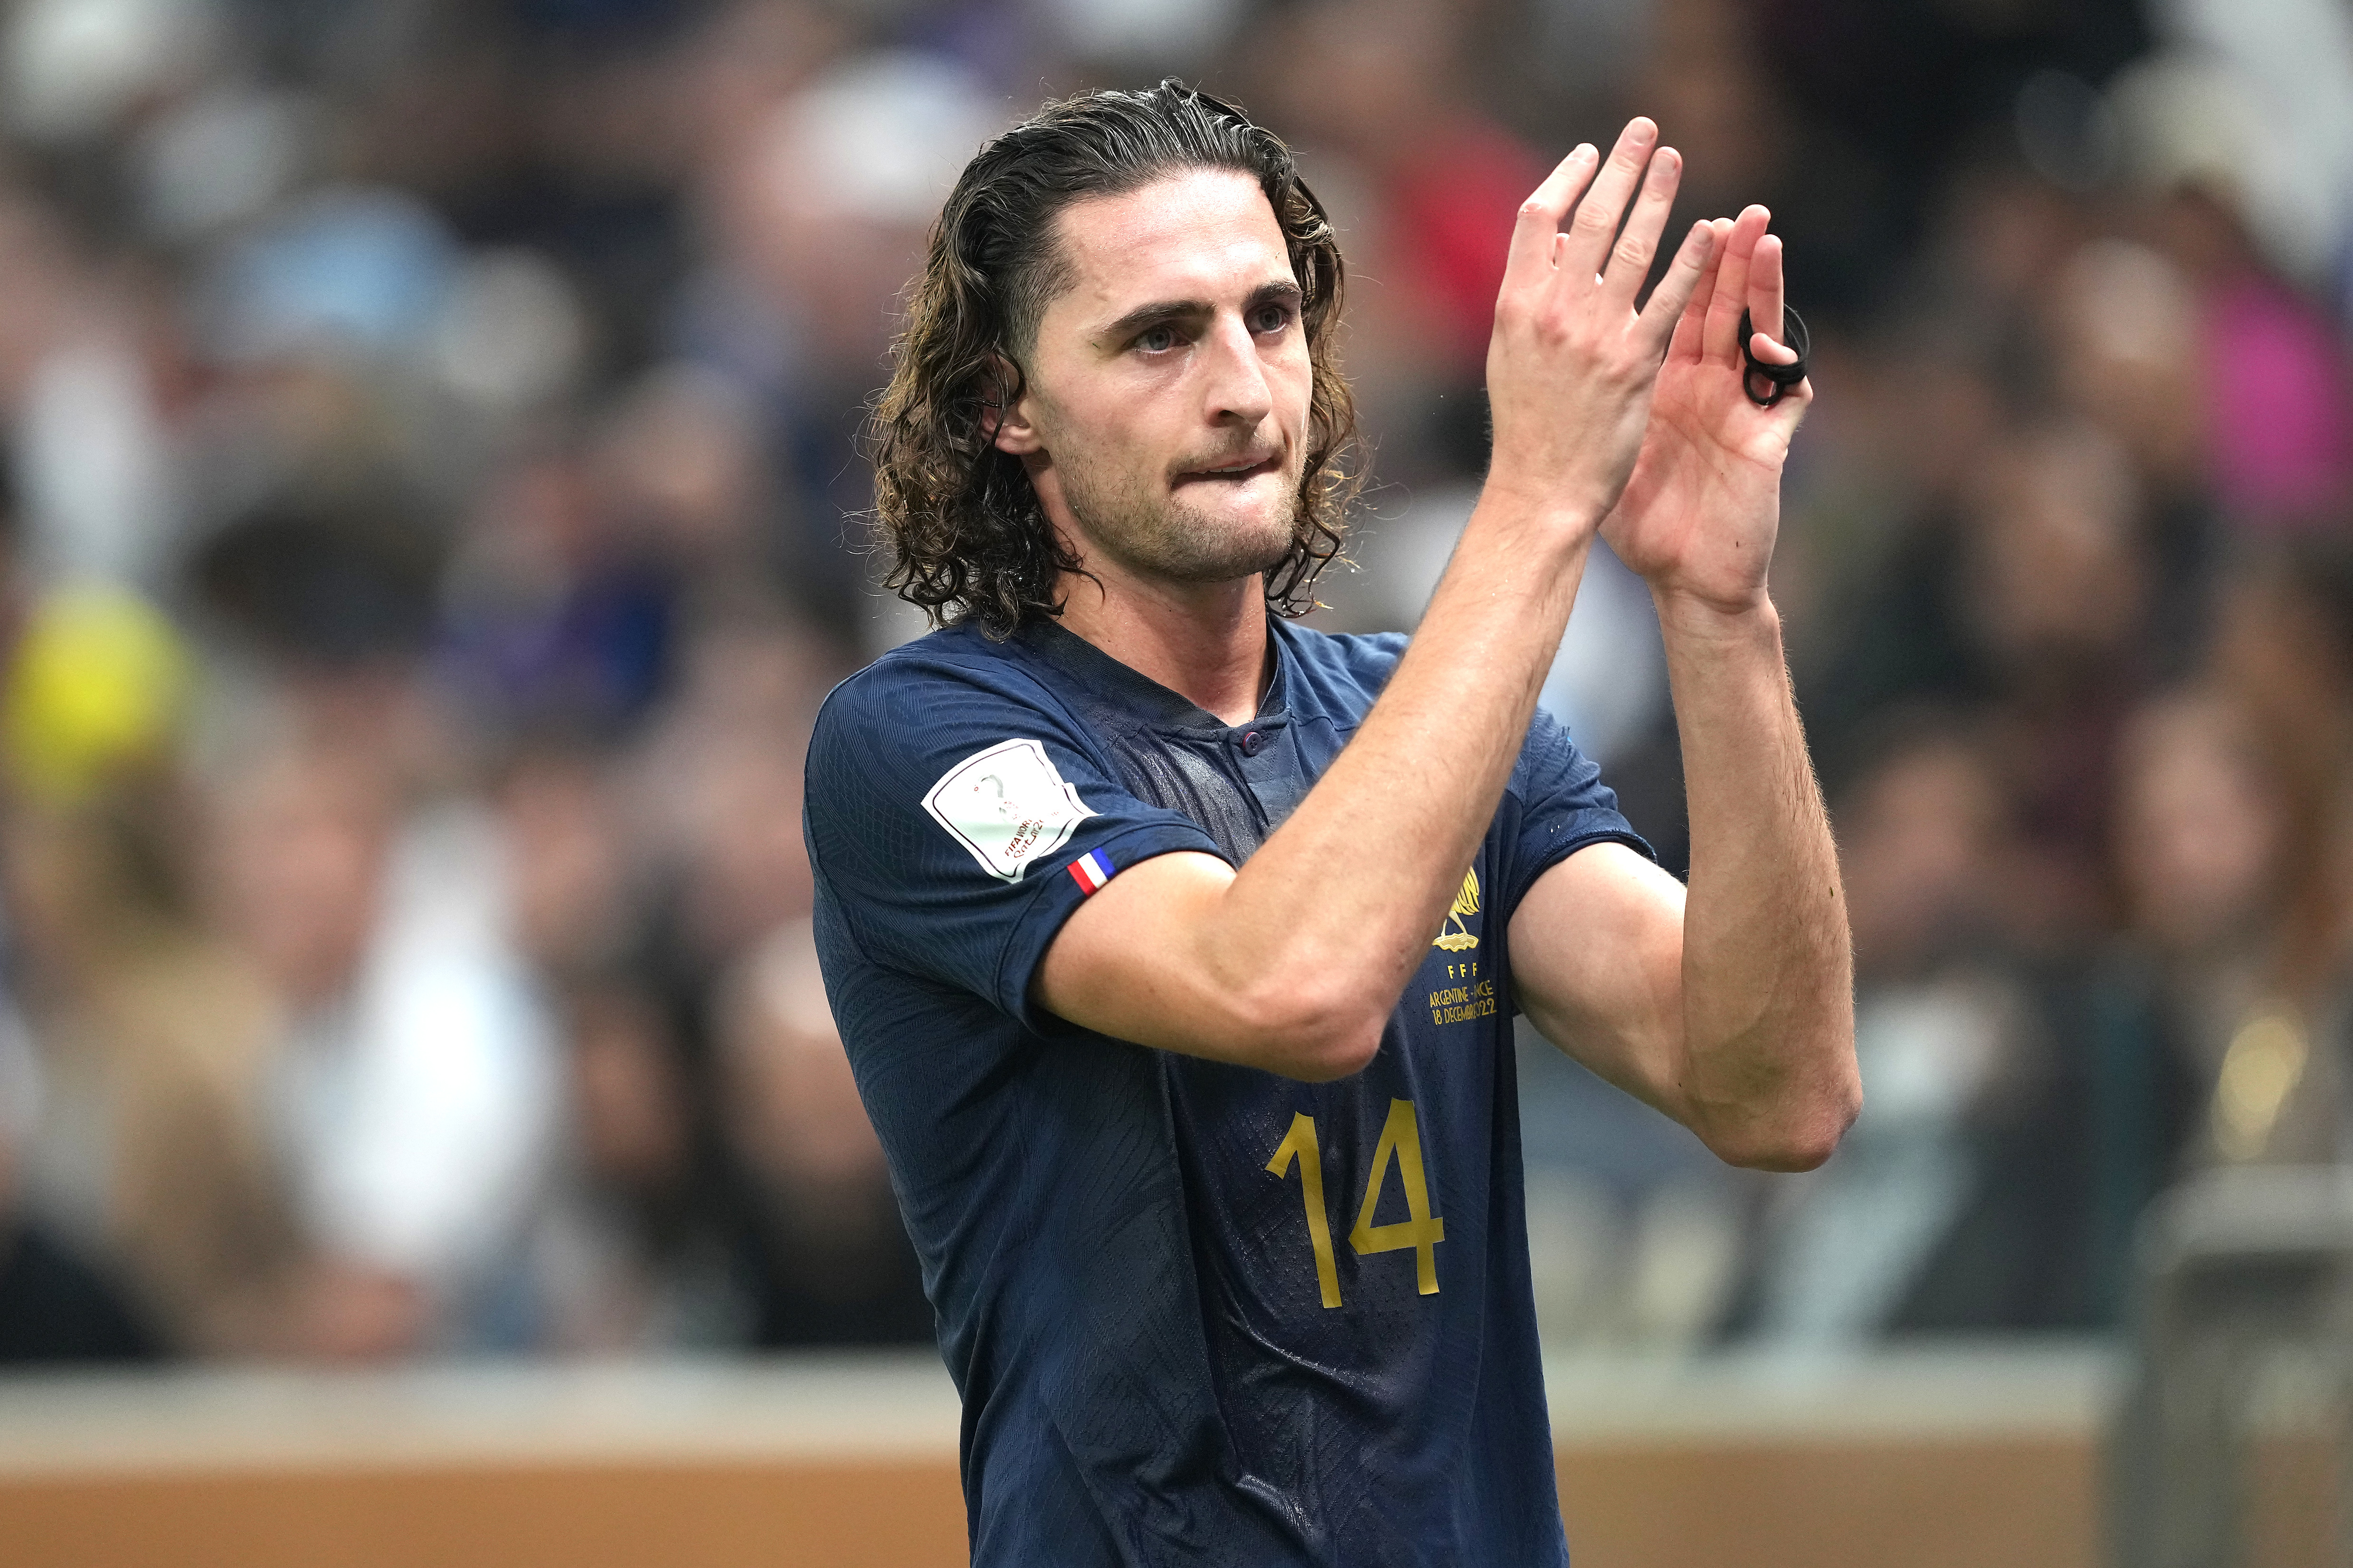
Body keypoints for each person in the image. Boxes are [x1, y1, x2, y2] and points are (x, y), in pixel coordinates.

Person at [804, 82, 1857, 1565]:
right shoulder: (922, 743)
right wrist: (1542, 490)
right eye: (1159, 335)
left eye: (1271, 317)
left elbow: (1774, 1092)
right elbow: (1288, 984)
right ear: (1003, 406)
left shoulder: (1423, 724)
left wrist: (1718, 607)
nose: (1242, 386)